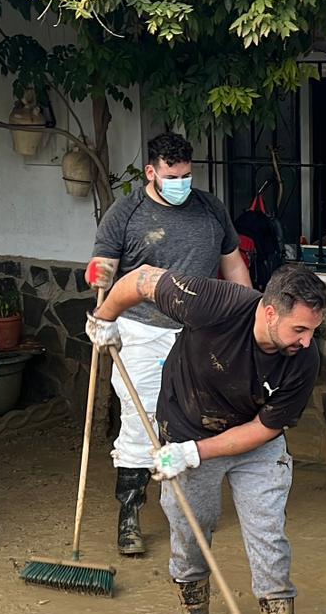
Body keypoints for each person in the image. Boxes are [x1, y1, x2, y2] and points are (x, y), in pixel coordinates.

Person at [86, 264, 326, 614]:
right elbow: (141, 279)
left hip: (254, 446)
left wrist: (195, 454)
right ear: (270, 313)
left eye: (311, 331)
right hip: (186, 425)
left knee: (268, 532)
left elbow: (266, 429)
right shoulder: (213, 302)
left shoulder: (302, 360)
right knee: (190, 525)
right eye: (300, 329)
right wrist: (104, 318)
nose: (307, 342)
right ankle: (194, 612)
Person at [88, 132, 251, 557]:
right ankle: (129, 515)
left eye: (187, 174)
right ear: (151, 171)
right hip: (142, 330)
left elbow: (233, 265)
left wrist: (247, 315)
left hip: (200, 330)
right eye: (172, 175)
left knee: (199, 417)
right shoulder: (126, 213)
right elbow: (103, 266)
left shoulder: (209, 207)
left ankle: (192, 507)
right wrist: (100, 301)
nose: (181, 181)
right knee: (140, 421)